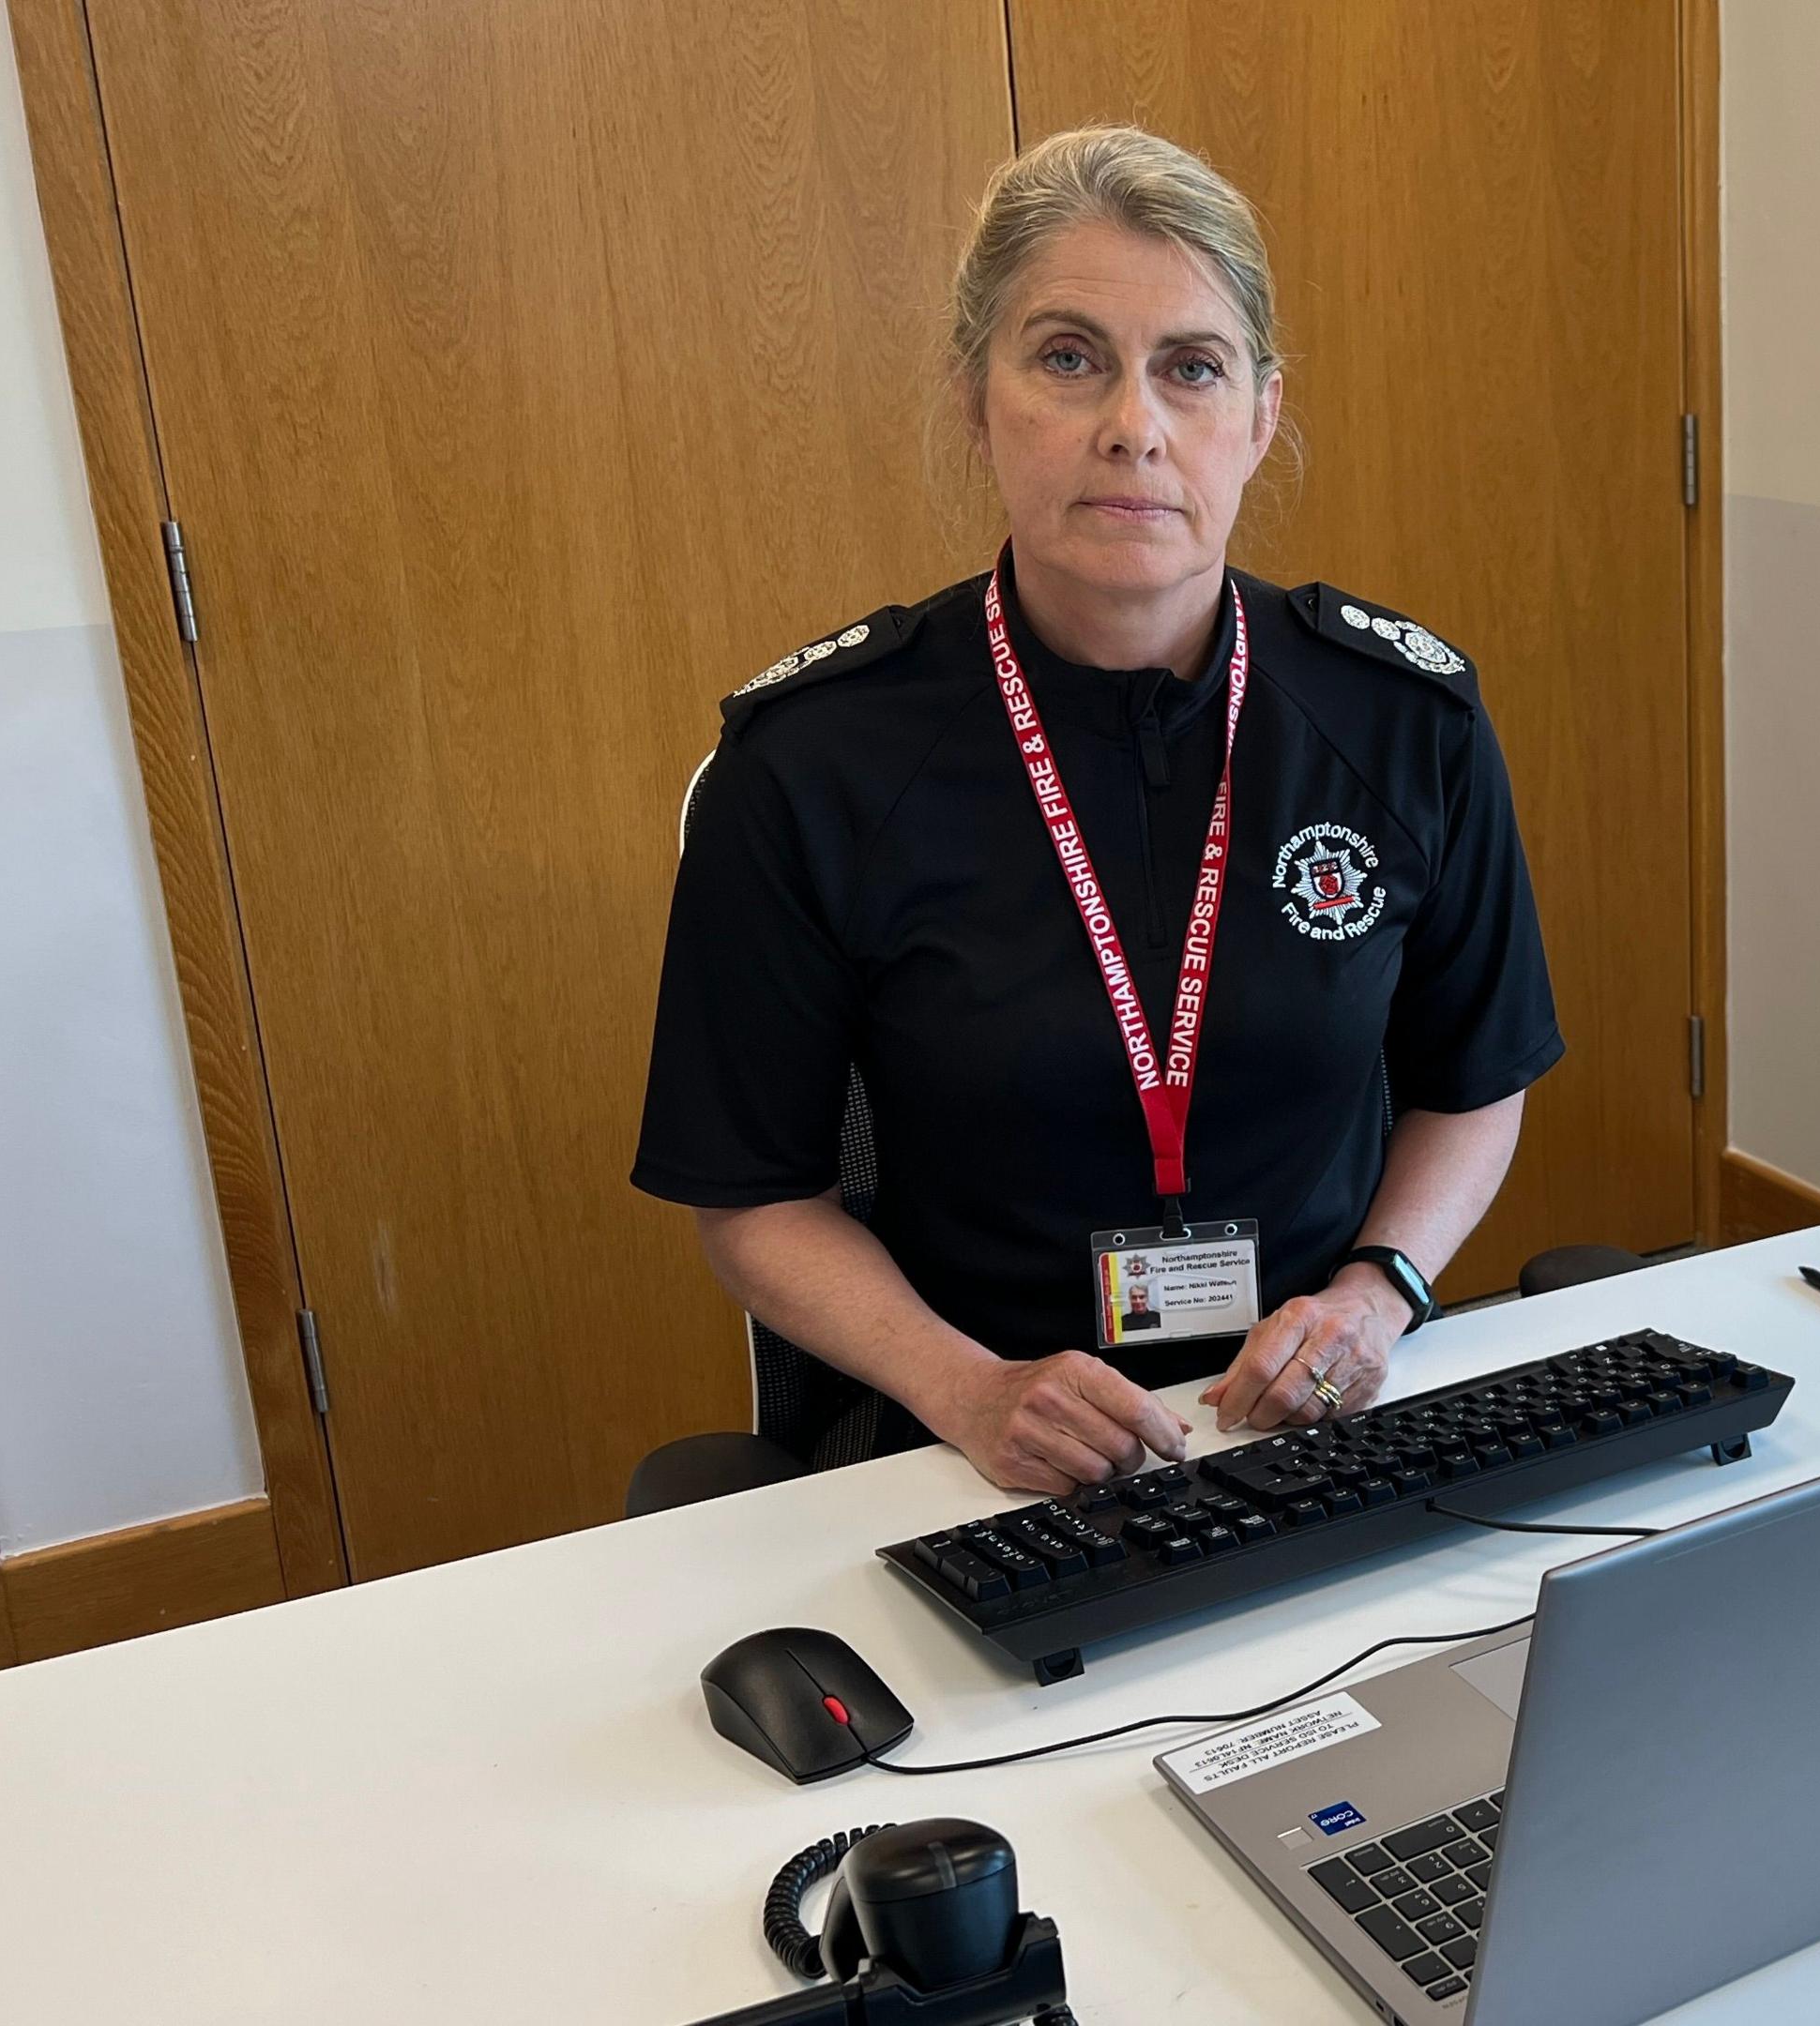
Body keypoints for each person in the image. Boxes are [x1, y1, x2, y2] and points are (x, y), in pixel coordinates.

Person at [630, 126, 1561, 1496]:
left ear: (1259, 412)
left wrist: (1377, 1293)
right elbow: (756, 1195)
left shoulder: (1403, 721)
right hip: (975, 1451)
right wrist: (970, 1389)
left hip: (1317, 1417)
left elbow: (1473, 1085)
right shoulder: (814, 764)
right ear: (975, 397)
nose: (1134, 424)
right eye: (1068, 358)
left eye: (1192, 368)